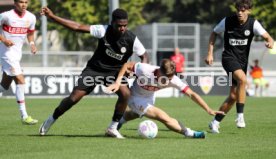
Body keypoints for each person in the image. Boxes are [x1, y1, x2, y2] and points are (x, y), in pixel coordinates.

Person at [39, 7, 148, 138]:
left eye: (125, 25)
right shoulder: (102, 30)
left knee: (126, 94)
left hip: (115, 73)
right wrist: (52, 17)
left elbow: (144, 56)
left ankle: (112, 128)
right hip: (94, 69)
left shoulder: (132, 39)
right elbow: (77, 27)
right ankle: (52, 118)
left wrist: (138, 71)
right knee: (74, 98)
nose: (122, 28)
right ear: (112, 22)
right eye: (119, 25)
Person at [106, 59, 224, 138]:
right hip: (134, 97)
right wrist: (118, 81)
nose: (166, 81)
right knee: (162, 116)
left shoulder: (173, 79)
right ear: (158, 71)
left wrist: (208, 109)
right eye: (163, 78)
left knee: (137, 114)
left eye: (169, 79)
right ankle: (190, 133)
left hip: (149, 98)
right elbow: (127, 65)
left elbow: (192, 94)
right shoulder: (145, 69)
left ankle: (120, 121)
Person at [205, 0, 274, 133]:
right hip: (228, 59)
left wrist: (270, 42)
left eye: (243, 10)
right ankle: (240, 117)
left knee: (233, 96)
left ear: (249, 11)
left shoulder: (253, 24)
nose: (240, 13)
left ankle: (215, 122)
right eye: (238, 10)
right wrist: (210, 54)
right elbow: (214, 33)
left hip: (242, 62)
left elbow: (268, 37)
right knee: (243, 80)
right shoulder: (227, 21)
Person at [0, 0, 38, 125]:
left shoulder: (31, 17)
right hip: (6, 54)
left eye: (26, 2)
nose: (24, 4)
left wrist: (32, 44)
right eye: (21, 2)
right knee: (20, 80)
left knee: (4, 85)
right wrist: (4, 40)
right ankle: (24, 115)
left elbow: (30, 33)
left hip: (17, 55)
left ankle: (24, 116)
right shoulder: (6, 16)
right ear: (15, 3)